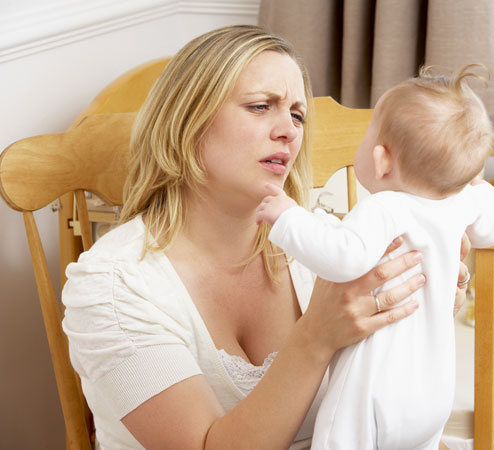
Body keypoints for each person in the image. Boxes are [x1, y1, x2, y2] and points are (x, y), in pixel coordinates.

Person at [61, 25, 469, 450]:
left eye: (297, 115)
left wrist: (424, 303)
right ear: (187, 121)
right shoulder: (113, 287)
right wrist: (316, 335)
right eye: (260, 106)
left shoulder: (322, 245)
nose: (289, 131)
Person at [255, 66, 494, 450]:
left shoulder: (385, 208)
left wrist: (288, 217)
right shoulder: (462, 203)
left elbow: (343, 256)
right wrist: (476, 183)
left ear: (381, 160)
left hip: (377, 389)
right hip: (433, 391)